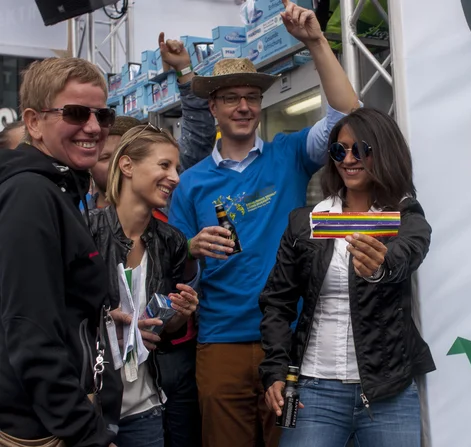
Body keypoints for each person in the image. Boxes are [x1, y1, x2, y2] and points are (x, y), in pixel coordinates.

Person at [164, 0, 360, 445]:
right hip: (220, 343)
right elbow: (174, 263)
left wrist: (315, 43)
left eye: (252, 97)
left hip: (292, 340)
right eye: (231, 98)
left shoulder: (288, 154)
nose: (243, 107)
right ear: (212, 107)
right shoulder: (190, 183)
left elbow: (348, 117)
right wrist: (191, 247)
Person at [259, 108, 436, 447]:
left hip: (389, 392)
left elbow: (411, 249)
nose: (349, 159)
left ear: (383, 151)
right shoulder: (305, 221)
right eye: (340, 150)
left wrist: (382, 265)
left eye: (361, 149)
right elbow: (277, 302)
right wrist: (275, 371)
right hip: (313, 389)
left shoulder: (405, 215)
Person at [0, 57, 121, 446]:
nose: (93, 127)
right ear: (33, 122)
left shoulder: (60, 189)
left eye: (103, 115)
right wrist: (88, 435)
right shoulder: (31, 194)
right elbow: (30, 332)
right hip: (41, 429)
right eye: (75, 112)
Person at [89, 124, 200, 447]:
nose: (176, 177)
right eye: (164, 165)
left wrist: (180, 313)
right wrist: (107, 320)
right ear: (127, 166)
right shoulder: (85, 231)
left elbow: (165, 333)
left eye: (176, 167)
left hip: (146, 405)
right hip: (91, 407)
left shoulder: (172, 242)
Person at [90, 115, 141, 209]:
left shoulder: (165, 215)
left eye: (124, 156)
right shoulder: (76, 219)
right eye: (105, 158)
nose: (116, 163)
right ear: (89, 167)